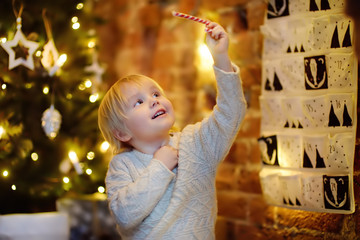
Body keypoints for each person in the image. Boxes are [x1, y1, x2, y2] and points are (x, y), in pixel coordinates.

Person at [98, 21, 247, 239]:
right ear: (122, 133)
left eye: (156, 94)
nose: (153, 101)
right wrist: (160, 166)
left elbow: (231, 112)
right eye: (138, 102)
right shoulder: (122, 166)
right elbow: (124, 215)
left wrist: (221, 57)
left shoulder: (195, 143)